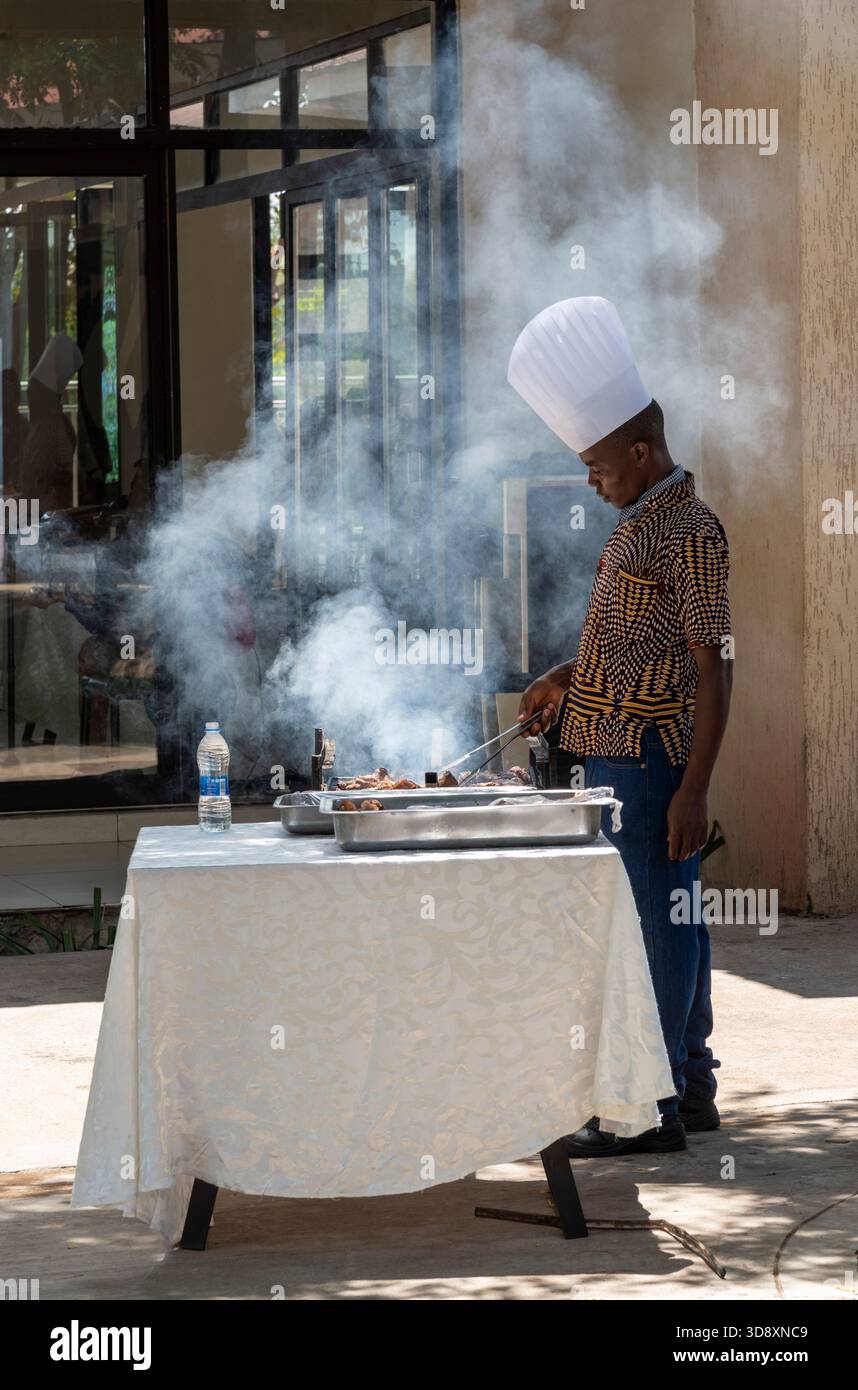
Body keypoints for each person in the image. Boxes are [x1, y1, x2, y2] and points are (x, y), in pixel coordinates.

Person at [510, 296, 732, 1155]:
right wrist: (570, 678)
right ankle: (695, 1081)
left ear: (641, 451)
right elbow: (637, 645)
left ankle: (658, 1108)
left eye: (598, 465)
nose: (591, 481)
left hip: (652, 762)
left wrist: (695, 787)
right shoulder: (641, 522)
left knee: (656, 921)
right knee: (675, 914)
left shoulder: (690, 530)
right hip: (617, 753)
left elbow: (714, 664)